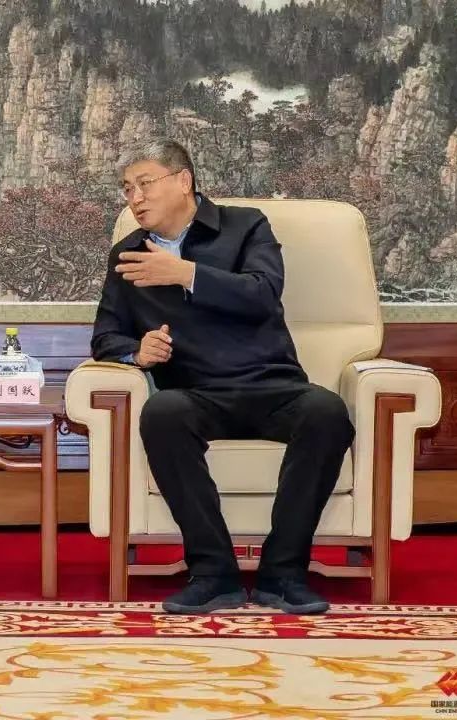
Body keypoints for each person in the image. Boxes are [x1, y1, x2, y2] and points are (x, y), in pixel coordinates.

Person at [91, 137, 354, 614]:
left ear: (183, 180)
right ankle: (213, 574)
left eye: (145, 183)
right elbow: (105, 337)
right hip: (196, 392)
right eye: (127, 188)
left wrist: (184, 273)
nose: (135, 198)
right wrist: (137, 352)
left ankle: (283, 574)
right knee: (162, 413)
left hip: (272, 385)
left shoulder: (245, 225)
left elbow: (262, 293)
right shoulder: (127, 255)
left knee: (326, 411)